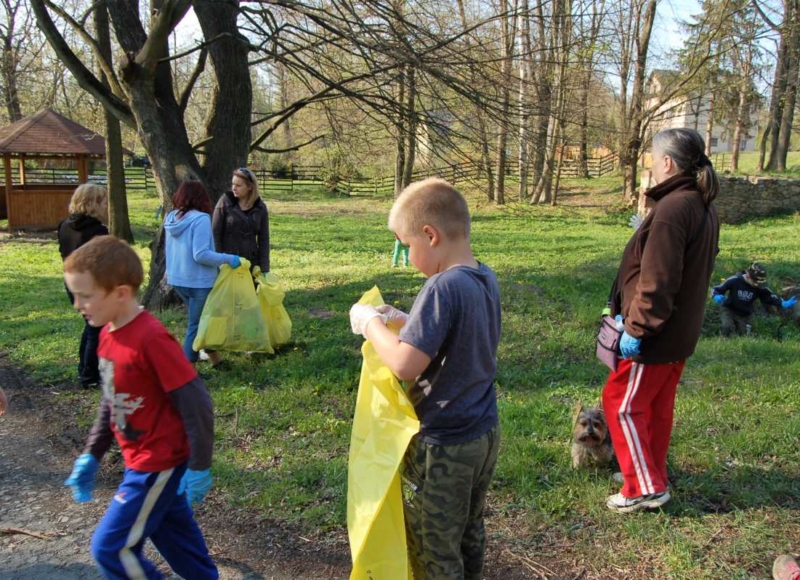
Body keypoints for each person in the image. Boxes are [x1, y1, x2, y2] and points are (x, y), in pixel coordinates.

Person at [349, 178, 501, 579]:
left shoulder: (441, 287)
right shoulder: (483, 277)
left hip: (443, 445)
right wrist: (405, 320)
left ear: (430, 235)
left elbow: (403, 364)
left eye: (406, 244)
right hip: (483, 432)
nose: (406, 254)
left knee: (433, 546)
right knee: (469, 526)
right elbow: (460, 337)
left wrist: (370, 326)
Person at [62, 236, 218, 580]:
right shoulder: (107, 333)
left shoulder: (151, 338)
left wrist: (199, 465)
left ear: (120, 293)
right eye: (75, 295)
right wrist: (92, 453)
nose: (77, 304)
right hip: (139, 461)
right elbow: (110, 398)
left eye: (85, 295)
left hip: (157, 464)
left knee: (111, 548)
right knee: (174, 537)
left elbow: (197, 402)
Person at [602, 128, 720, 514]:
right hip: (679, 334)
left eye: (652, 157)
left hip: (656, 335)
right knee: (652, 407)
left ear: (667, 162)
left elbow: (658, 280)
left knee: (620, 403)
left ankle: (644, 487)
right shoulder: (698, 204)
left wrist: (637, 329)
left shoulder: (672, 209)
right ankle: (650, 471)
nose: (649, 164)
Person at [165, 181, 241, 367]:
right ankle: (186, 369)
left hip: (177, 279)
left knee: (204, 320)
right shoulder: (201, 219)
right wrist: (228, 259)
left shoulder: (171, 218)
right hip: (198, 282)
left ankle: (216, 361)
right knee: (197, 324)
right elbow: (200, 254)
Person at [58, 184, 109, 388]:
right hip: (91, 285)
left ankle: (85, 370)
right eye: (104, 201)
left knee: (91, 325)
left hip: (71, 282)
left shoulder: (64, 225)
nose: (106, 205)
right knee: (95, 328)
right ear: (93, 203)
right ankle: (89, 376)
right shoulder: (98, 230)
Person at [711, 262, 797, 336]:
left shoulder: (760, 287)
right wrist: (716, 296)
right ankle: (723, 341)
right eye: (755, 282)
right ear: (748, 275)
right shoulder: (734, 280)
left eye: (759, 283)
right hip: (729, 309)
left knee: (743, 333)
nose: (757, 285)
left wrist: (782, 303)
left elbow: (769, 297)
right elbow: (717, 289)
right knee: (727, 327)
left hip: (745, 314)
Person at [212, 167, 270, 275]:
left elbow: (264, 241)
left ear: (250, 187)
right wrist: (218, 263)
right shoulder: (225, 202)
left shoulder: (261, 208)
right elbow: (215, 234)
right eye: (233, 184)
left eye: (238, 185)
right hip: (227, 264)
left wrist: (265, 269)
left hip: (251, 265)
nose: (234, 188)